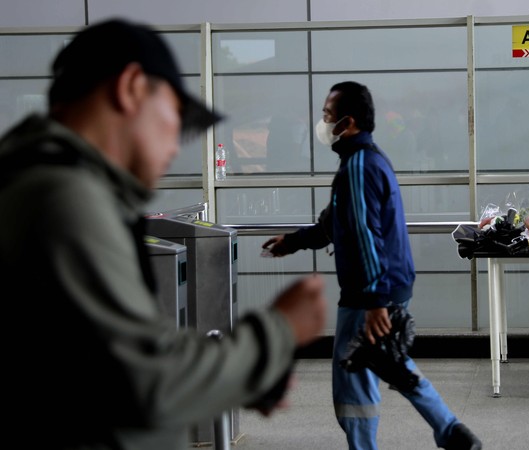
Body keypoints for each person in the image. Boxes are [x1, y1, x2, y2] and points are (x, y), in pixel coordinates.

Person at [0, 19, 326, 449]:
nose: (175, 145)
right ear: (131, 87)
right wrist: (280, 330)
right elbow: (150, 382)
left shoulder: (34, 181)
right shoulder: (63, 197)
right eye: (175, 116)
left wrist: (234, 379)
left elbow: (102, 367)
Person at [262, 81, 482, 450]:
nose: (322, 122)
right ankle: (450, 430)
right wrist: (293, 242)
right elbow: (335, 223)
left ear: (347, 122)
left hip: (370, 290)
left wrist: (375, 301)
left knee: (353, 379)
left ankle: (406, 438)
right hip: (384, 284)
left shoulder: (359, 167)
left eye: (327, 115)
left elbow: (366, 234)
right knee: (389, 360)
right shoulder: (364, 160)